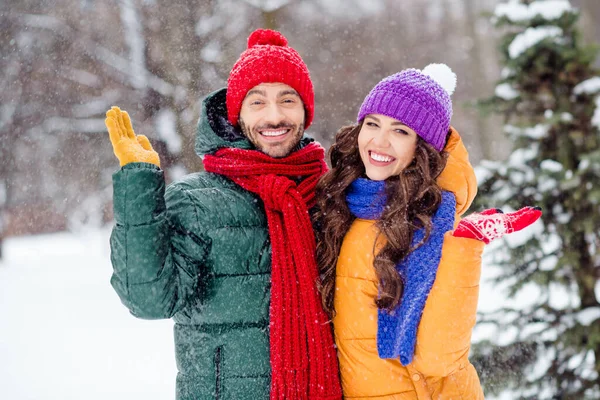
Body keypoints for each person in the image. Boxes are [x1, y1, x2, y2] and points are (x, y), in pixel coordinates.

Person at [104, 29, 342, 400]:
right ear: (237, 113)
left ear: (306, 110)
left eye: (288, 100)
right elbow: (149, 300)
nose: (275, 116)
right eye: (257, 102)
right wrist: (138, 191)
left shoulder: (330, 198)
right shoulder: (197, 202)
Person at [313, 64, 541, 399]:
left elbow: (437, 358)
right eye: (372, 124)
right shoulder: (346, 206)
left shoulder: (429, 223)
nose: (379, 140)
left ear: (423, 148)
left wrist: (465, 248)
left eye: (400, 131)